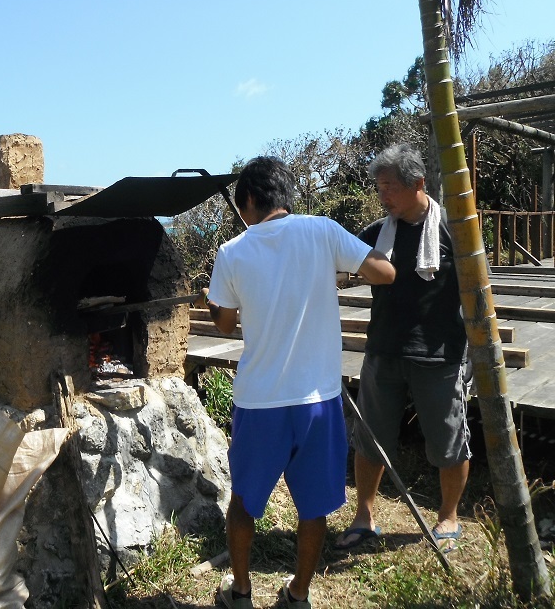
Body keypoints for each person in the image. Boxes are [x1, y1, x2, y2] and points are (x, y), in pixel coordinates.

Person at [201, 156, 395, 609]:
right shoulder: (323, 231)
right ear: (284, 195)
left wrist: (219, 305)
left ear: (248, 199)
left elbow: (226, 325)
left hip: (260, 401)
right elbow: (385, 273)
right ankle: (298, 594)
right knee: (314, 507)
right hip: (318, 400)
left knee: (244, 501)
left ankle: (241, 592)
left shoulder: (232, 252)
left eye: (241, 206)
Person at [336, 143, 470, 554]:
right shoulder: (378, 233)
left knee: (447, 439)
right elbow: (340, 263)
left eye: (390, 187)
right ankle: (365, 515)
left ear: (418, 184)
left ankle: (448, 516)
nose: (383, 196)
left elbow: (478, 290)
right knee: (370, 437)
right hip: (384, 351)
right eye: (379, 188)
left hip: (439, 355)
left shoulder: (453, 230)